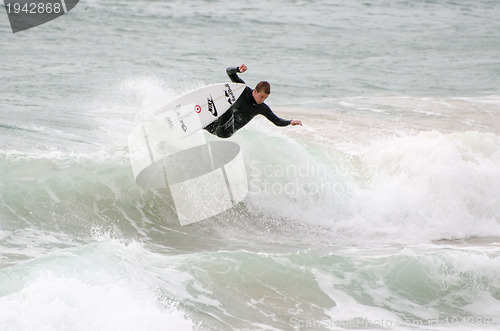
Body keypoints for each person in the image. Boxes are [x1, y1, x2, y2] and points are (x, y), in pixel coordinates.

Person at [204, 64, 302, 138]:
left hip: (226, 131)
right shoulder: (242, 89)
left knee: (227, 103)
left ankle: (209, 104)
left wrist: (290, 122)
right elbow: (229, 72)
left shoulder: (262, 108)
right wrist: (238, 69)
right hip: (214, 126)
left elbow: (277, 121)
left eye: (265, 98)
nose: (262, 100)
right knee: (222, 103)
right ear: (255, 91)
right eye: (261, 96)